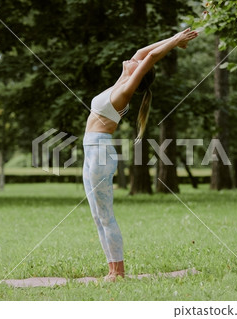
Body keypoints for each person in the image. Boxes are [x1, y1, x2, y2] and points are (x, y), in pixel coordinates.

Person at [83, 28, 199, 281]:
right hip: (91, 151)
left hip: (99, 152)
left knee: (105, 215)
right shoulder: (120, 83)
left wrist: (174, 43)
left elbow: (150, 58)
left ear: (138, 71)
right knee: (97, 215)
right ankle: (112, 269)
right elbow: (143, 53)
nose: (133, 58)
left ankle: (118, 272)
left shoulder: (123, 93)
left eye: (137, 63)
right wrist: (175, 38)